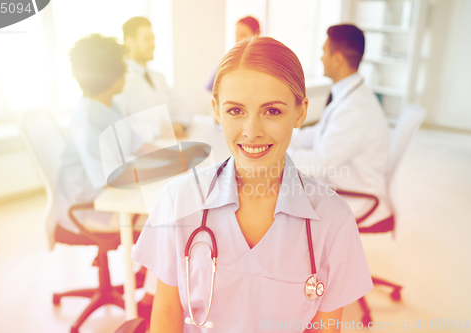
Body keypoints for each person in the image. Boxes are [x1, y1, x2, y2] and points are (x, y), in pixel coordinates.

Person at [132, 36, 373, 332]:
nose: (252, 131)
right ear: (216, 111)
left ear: (300, 112)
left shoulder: (334, 220)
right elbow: (167, 310)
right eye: (235, 111)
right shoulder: (179, 200)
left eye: (272, 111)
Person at [48, 34, 149, 248]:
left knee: (167, 208)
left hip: (107, 198)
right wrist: (163, 169)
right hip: (88, 208)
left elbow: (136, 143)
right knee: (164, 222)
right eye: (122, 66)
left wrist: (178, 157)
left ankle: (148, 275)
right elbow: (112, 177)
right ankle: (150, 280)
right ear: (110, 75)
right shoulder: (87, 120)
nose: (126, 71)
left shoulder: (110, 106)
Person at [288, 24, 391, 227]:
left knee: (277, 196)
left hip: (355, 196)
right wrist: (285, 139)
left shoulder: (356, 109)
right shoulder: (350, 95)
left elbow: (316, 165)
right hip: (338, 183)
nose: (321, 58)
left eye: (324, 51)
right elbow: (319, 133)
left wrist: (280, 152)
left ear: (338, 59)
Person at [114, 16, 191, 140]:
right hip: (143, 150)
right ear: (130, 43)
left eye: (153, 39)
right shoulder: (119, 81)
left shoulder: (159, 78)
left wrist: (180, 123)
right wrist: (157, 130)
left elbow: (182, 106)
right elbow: (118, 127)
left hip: (169, 144)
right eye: (147, 39)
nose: (153, 45)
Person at [205, 16, 260, 92]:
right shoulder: (226, 62)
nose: (238, 39)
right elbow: (213, 89)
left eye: (243, 35)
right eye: (236, 35)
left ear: (257, 34)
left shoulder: (263, 63)